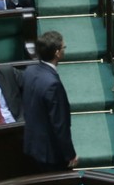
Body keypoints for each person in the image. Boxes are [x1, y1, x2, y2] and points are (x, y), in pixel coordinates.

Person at [21, 31, 78, 172]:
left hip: (32, 145)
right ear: (57, 53)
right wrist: (70, 154)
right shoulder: (52, 84)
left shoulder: (29, 71)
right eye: (64, 47)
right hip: (50, 153)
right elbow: (59, 124)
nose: (64, 50)